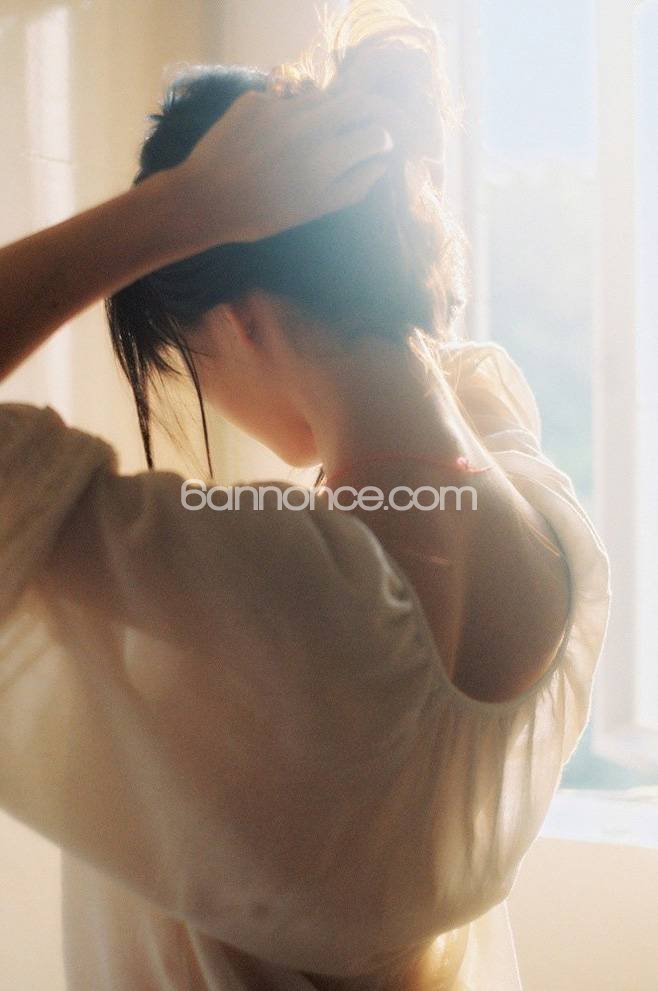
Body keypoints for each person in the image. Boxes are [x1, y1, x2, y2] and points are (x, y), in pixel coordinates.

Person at [0, 2, 610, 989]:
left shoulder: (266, 586)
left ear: (239, 320)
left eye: (184, 355)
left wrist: (178, 210)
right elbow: (417, 377)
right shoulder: (550, 531)